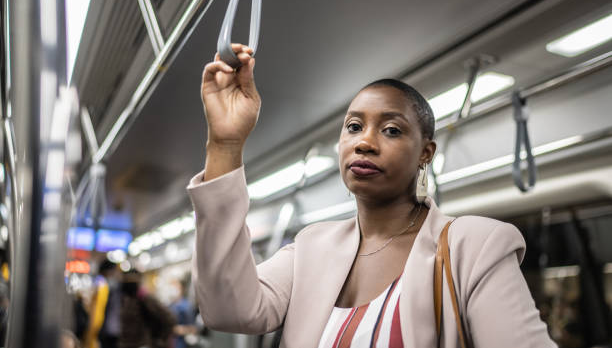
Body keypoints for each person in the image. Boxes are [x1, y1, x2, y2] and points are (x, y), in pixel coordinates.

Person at [188, 44, 557, 347]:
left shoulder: (473, 248)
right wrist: (225, 143)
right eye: (353, 126)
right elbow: (227, 308)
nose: (364, 142)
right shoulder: (310, 248)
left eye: (392, 130)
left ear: (425, 153)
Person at [119, 269, 176, 348]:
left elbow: (169, 319)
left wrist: (159, 340)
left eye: (131, 280)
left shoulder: (145, 299)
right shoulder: (122, 300)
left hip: (143, 344)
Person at [84, 259, 121, 348]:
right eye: (115, 271)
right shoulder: (102, 286)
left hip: (100, 329)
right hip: (100, 330)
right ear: (109, 271)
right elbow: (98, 312)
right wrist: (94, 332)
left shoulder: (97, 284)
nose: (116, 275)